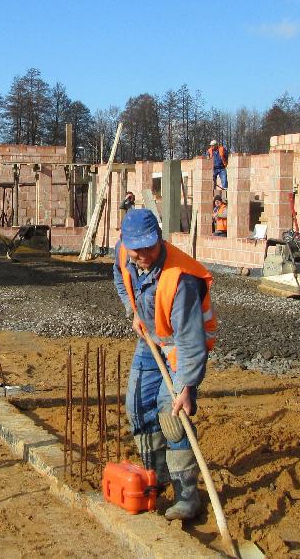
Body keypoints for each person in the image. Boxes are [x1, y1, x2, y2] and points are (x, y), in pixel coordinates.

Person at [112, 208, 218, 521]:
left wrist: (186, 388)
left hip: (181, 348)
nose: (142, 254)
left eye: (149, 246)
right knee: (138, 406)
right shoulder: (123, 253)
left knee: (170, 415)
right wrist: (132, 310)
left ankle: (187, 495)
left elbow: (191, 342)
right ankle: (154, 478)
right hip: (151, 338)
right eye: (136, 248)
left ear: (159, 239)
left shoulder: (180, 280)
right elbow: (120, 278)